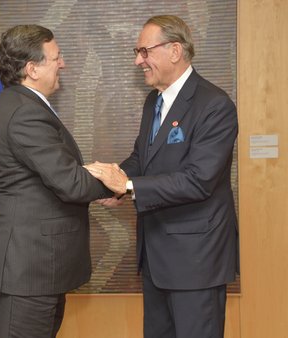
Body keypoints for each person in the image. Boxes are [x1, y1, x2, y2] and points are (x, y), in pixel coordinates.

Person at [85, 15, 238, 338]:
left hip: (196, 261)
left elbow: (199, 180)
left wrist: (127, 185)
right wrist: (115, 182)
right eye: (137, 51)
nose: (138, 60)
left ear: (174, 51)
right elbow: (143, 158)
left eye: (144, 51)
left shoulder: (214, 105)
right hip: (156, 256)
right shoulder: (154, 100)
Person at [0, 24, 112, 338]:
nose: (62, 63)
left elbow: (57, 176)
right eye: (56, 57)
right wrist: (116, 183)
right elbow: (70, 183)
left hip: (36, 269)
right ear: (32, 69)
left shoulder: (24, 105)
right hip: (27, 270)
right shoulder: (25, 112)